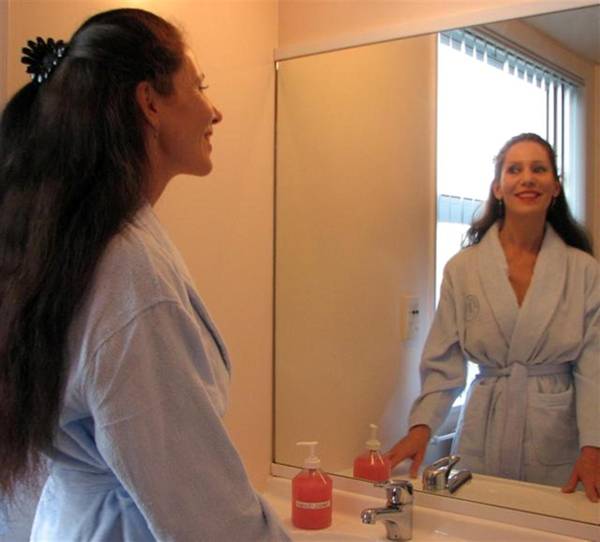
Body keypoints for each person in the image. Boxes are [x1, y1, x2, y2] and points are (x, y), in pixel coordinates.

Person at [0, 8, 290, 541]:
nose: (215, 111)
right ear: (150, 103)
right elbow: (208, 517)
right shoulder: (131, 275)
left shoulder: (62, 242)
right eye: (199, 86)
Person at [386, 133, 599, 502]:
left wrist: (593, 446)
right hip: (483, 431)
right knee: (480, 517)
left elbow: (593, 366)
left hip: (557, 435)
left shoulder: (583, 271)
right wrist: (421, 428)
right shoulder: (463, 269)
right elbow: (444, 362)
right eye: (514, 170)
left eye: (538, 169)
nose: (527, 178)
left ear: (555, 187)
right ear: (498, 188)